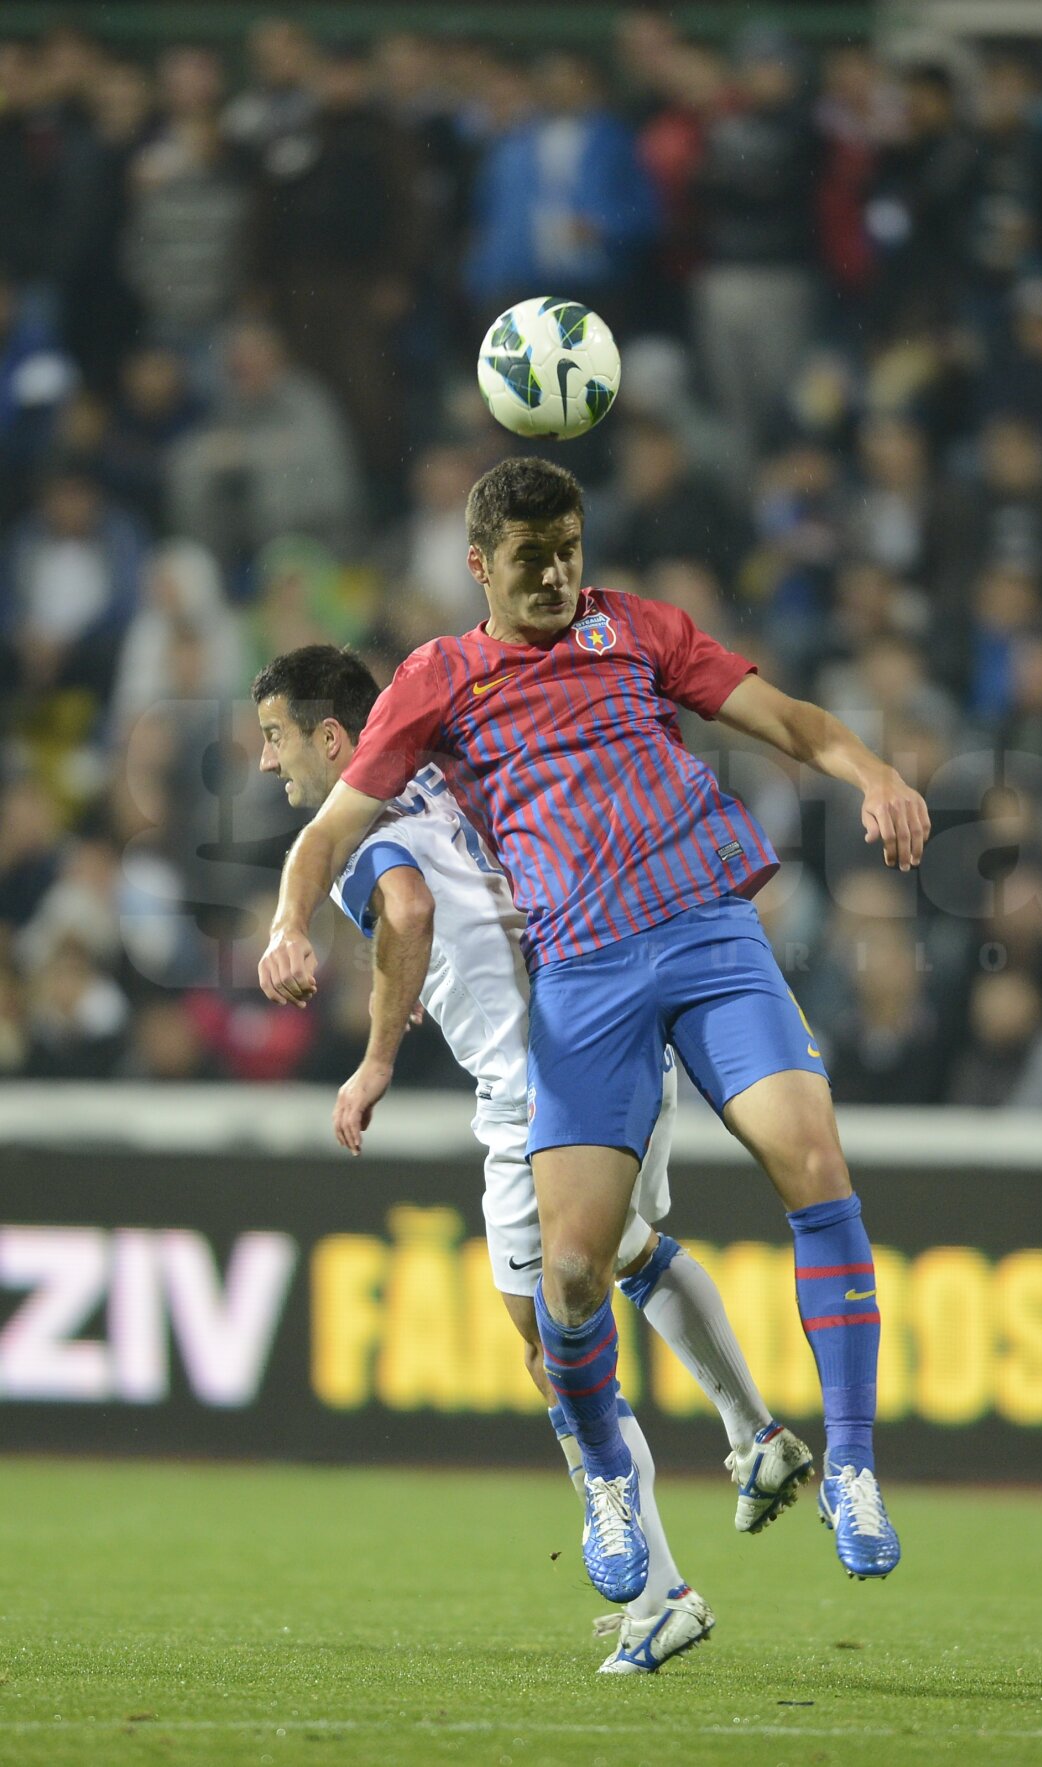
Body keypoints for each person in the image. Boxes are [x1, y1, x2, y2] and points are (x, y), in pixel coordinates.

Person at [258, 457, 930, 1603]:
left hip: (711, 934)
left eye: (571, 547)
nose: (559, 572)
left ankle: (854, 1466)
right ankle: (614, 1484)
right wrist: (287, 925)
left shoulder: (640, 629)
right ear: (480, 566)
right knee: (573, 1271)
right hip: (583, 976)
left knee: (817, 1166)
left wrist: (871, 771)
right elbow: (327, 835)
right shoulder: (439, 677)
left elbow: (792, 720)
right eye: (532, 558)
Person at [252, 642, 811, 1673]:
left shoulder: (366, 822)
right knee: (628, 1247)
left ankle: (657, 1594)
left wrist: (375, 1060)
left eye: (275, 737)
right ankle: (755, 1432)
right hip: (623, 1029)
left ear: (334, 738)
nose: (265, 762)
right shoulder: (458, 759)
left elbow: (410, 909)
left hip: (537, 1084)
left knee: (549, 1342)